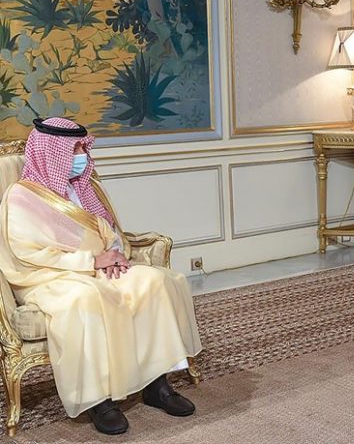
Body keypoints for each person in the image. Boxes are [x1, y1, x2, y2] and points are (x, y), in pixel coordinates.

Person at [0, 117, 203, 435]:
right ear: (51, 152)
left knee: (156, 282)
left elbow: (107, 230)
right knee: (87, 299)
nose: (82, 155)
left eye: (83, 147)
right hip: (48, 277)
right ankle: (99, 400)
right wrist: (91, 261)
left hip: (98, 268)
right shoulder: (22, 197)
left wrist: (114, 253)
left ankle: (156, 383)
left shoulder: (81, 188)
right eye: (74, 149)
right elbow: (30, 252)